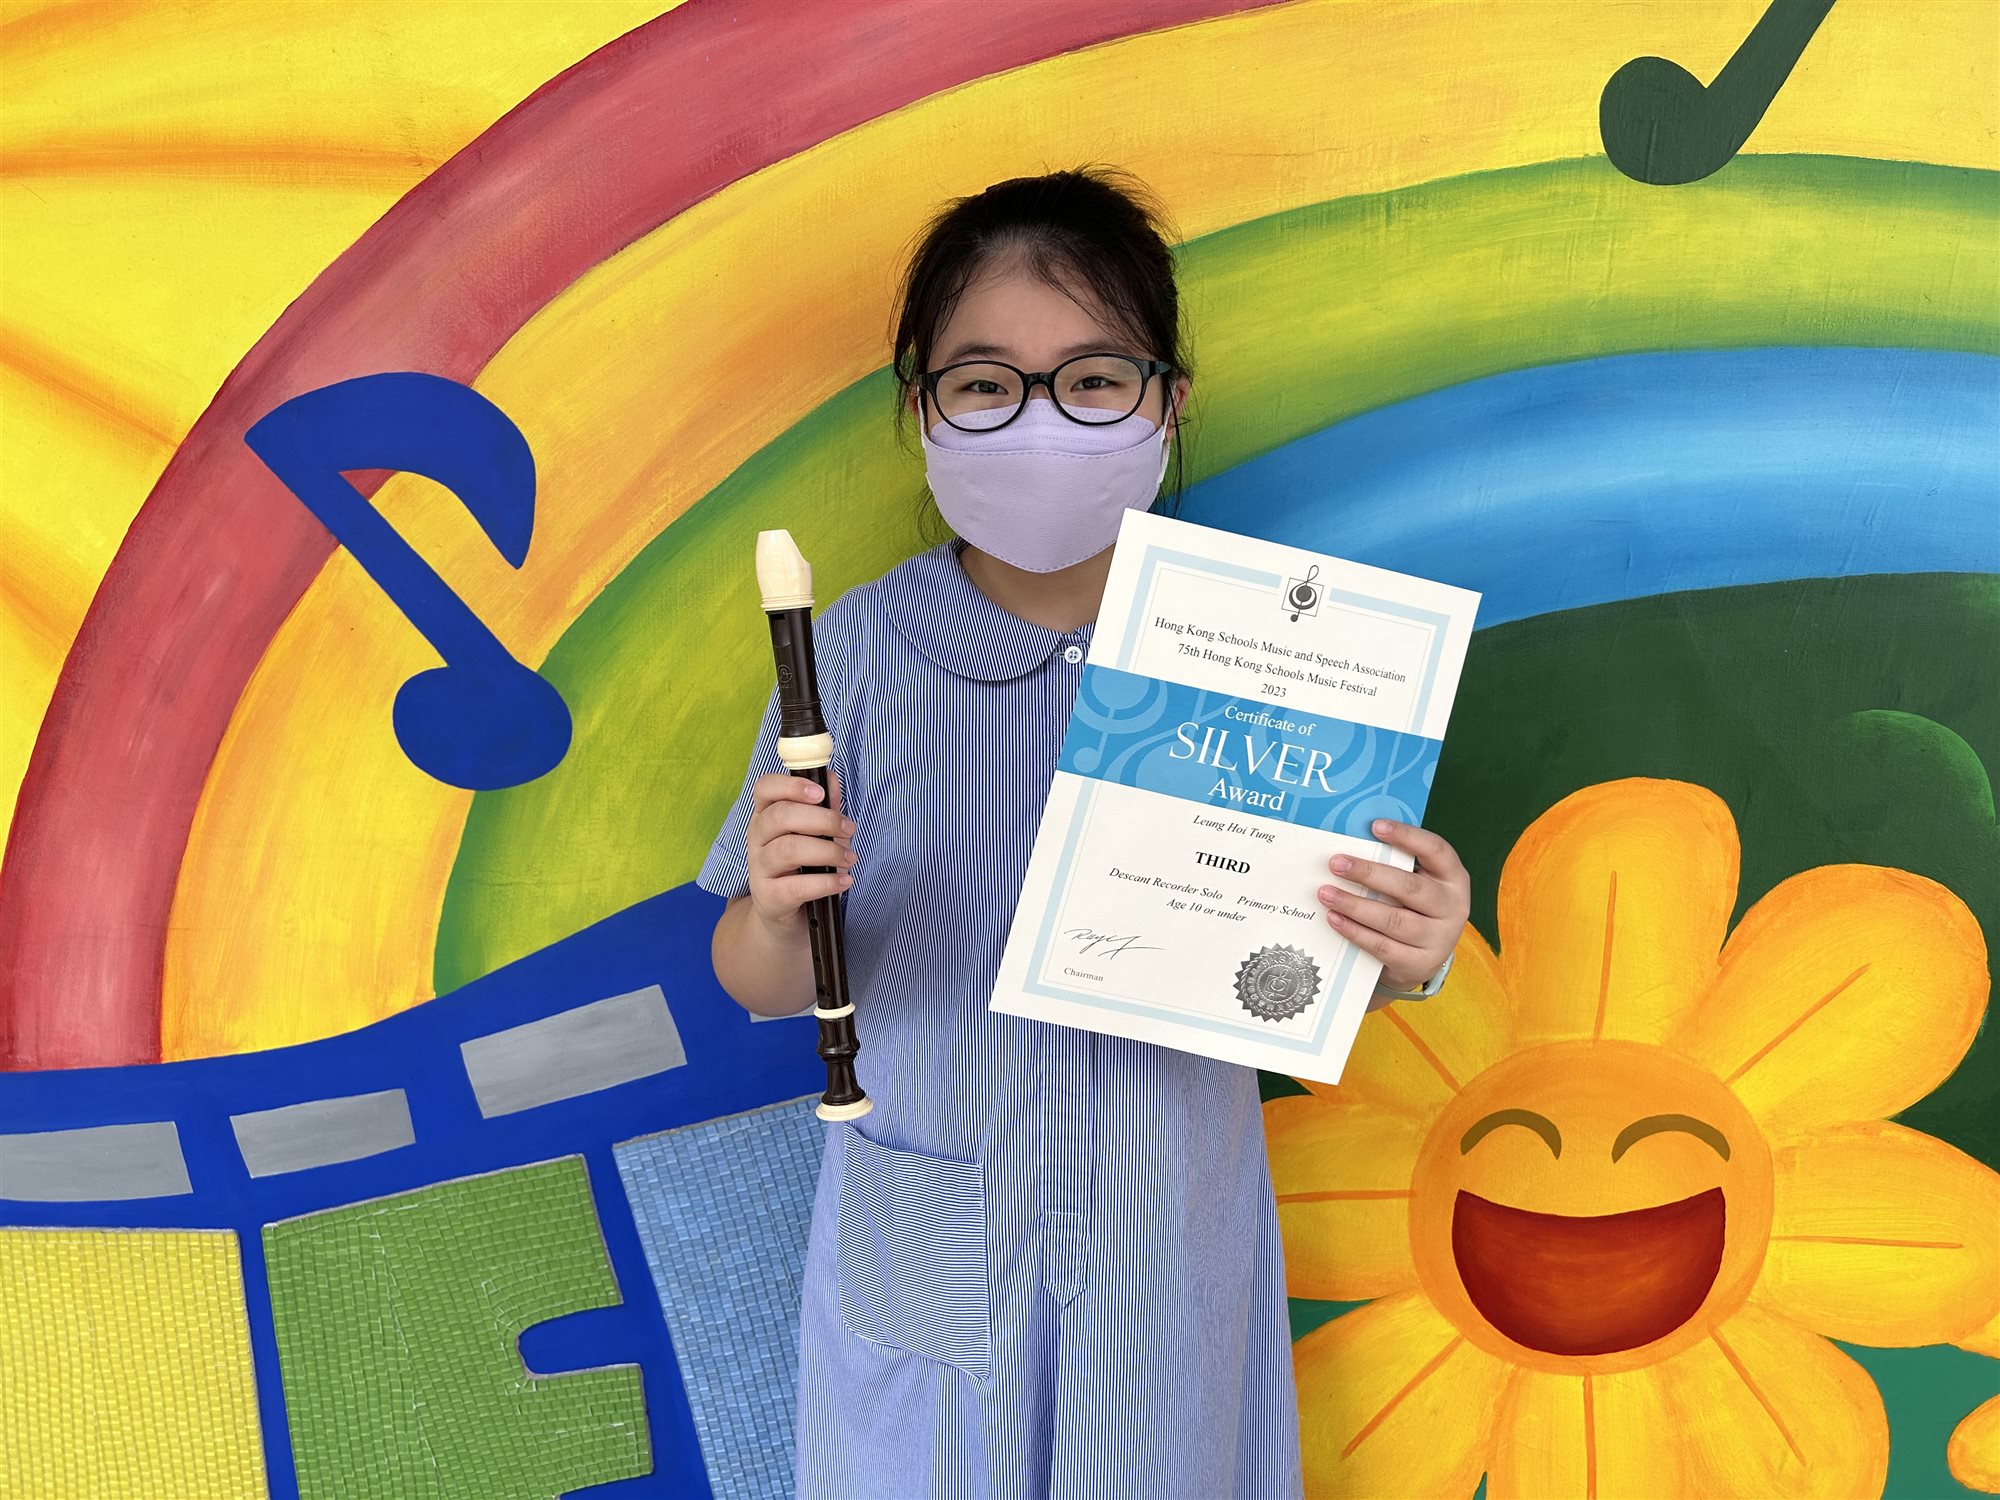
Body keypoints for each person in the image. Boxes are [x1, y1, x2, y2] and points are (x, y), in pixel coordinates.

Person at [697, 166, 1471, 1498]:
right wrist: (773, 914)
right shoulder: (855, 656)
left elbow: (1325, 961)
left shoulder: (1271, 658)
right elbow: (758, 984)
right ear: (921, 407)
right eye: (985, 383)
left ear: (1167, 401)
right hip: (930, 1239)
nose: (1041, 418)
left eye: (1095, 379)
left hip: (1166, 1248)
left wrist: (1412, 946)